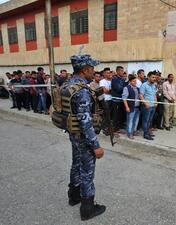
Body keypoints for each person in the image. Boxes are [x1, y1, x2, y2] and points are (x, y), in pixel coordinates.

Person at [65, 54, 106, 221]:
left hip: (73, 135)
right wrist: (96, 145)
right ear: (85, 70)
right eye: (92, 69)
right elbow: (85, 121)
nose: (94, 72)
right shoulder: (82, 90)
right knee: (87, 171)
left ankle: (74, 196)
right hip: (84, 137)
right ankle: (87, 208)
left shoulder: (68, 84)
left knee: (76, 165)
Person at [140, 71, 157, 140]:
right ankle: (145, 134)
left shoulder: (153, 85)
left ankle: (148, 132)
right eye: (153, 77)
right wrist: (145, 103)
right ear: (148, 77)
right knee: (146, 120)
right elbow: (141, 95)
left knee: (150, 120)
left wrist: (156, 102)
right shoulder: (144, 85)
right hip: (146, 106)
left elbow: (154, 95)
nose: (154, 78)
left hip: (153, 106)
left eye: (155, 77)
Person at [122, 74, 140, 139]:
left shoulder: (137, 88)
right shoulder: (126, 88)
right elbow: (124, 98)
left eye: (136, 81)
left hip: (137, 107)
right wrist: (127, 107)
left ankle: (133, 131)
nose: (135, 82)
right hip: (131, 107)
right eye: (133, 81)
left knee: (135, 120)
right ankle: (129, 133)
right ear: (130, 82)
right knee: (130, 121)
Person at [111, 66, 126, 132]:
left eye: (123, 71)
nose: (123, 72)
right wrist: (125, 88)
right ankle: (114, 129)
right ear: (118, 71)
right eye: (121, 71)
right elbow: (118, 89)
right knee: (116, 115)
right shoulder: (115, 79)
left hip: (121, 100)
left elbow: (124, 87)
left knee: (120, 115)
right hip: (116, 100)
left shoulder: (122, 79)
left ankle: (118, 127)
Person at [100, 68, 114, 136]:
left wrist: (110, 91)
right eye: (107, 73)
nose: (109, 74)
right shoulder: (102, 81)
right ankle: (104, 128)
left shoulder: (112, 81)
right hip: (105, 99)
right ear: (104, 74)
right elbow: (105, 91)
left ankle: (108, 127)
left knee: (110, 115)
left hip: (112, 99)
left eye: (110, 73)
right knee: (106, 114)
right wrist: (112, 91)